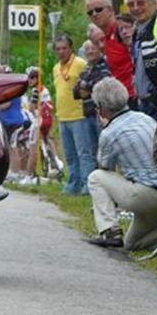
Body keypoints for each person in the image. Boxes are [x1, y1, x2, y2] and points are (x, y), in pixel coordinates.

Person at [87, 77, 157, 250]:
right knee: (131, 244)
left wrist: (105, 129)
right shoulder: (145, 118)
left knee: (95, 177)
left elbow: (105, 167)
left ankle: (109, 230)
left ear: (102, 109)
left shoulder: (109, 132)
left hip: (144, 196)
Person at [52, 33, 94, 195]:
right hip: (63, 116)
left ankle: (87, 185)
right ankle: (73, 184)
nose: (61, 52)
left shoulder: (80, 64)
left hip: (79, 115)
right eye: (58, 49)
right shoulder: (56, 68)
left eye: (64, 48)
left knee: (84, 153)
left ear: (71, 49)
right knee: (70, 155)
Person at [84, 0, 135, 105]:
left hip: (135, 97)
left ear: (111, 10)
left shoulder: (122, 30)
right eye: (90, 12)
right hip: (121, 98)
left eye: (98, 9)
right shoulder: (105, 36)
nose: (94, 14)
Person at [74, 24, 112, 169]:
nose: (89, 51)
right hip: (87, 114)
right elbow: (76, 93)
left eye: (92, 48)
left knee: (104, 150)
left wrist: (86, 86)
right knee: (92, 150)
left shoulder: (105, 64)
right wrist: (87, 87)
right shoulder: (85, 68)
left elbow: (101, 85)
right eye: (87, 49)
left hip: (100, 113)